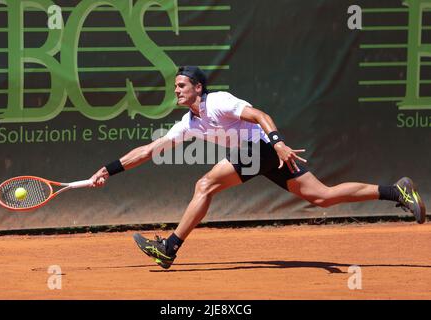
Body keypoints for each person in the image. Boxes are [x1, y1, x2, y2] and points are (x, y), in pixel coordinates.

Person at [90, 66, 427, 269]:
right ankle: (396, 191)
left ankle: (169, 248)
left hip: (262, 148)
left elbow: (260, 115)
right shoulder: (188, 123)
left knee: (205, 185)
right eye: (175, 85)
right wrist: (108, 169)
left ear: (198, 87)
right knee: (321, 196)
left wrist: (278, 142)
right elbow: (148, 151)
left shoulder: (219, 101)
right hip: (260, 156)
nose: (176, 89)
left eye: (181, 85)